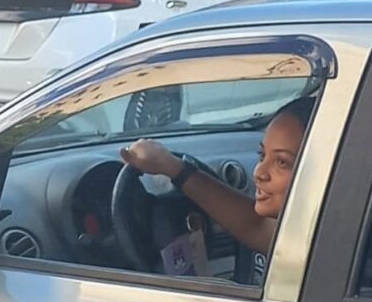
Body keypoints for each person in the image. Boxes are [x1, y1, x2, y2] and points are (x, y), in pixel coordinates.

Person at [119, 96, 314, 258]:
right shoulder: (305, 236)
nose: (259, 173)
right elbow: (254, 224)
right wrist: (172, 167)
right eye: (262, 156)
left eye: (282, 162)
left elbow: (255, 226)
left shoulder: (322, 250)